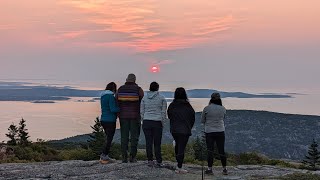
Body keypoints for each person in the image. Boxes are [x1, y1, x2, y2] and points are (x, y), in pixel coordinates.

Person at [116, 73, 144, 163]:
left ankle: (124, 157)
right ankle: (132, 157)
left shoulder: (120, 89)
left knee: (124, 136)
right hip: (135, 116)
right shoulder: (138, 89)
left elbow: (116, 101)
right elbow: (143, 102)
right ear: (135, 80)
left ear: (126, 79)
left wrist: (118, 113)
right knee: (134, 137)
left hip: (123, 116)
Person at [167, 87, 195, 173]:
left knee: (178, 145)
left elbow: (169, 115)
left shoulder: (172, 105)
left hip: (175, 130)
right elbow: (192, 117)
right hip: (185, 130)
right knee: (181, 147)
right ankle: (179, 167)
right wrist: (189, 126)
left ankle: (178, 164)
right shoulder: (188, 105)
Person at [141, 82, 167, 167]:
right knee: (157, 143)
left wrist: (144, 119)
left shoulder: (144, 98)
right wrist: (162, 123)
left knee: (148, 142)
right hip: (157, 122)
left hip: (146, 121)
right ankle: (159, 161)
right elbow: (163, 113)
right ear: (158, 88)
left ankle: (150, 160)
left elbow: (141, 111)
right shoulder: (162, 98)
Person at [201, 92, 228, 175]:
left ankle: (210, 169)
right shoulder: (223, 108)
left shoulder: (206, 108)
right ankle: (224, 169)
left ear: (211, 99)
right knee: (221, 151)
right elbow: (223, 118)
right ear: (219, 99)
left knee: (210, 151)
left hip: (209, 132)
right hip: (220, 131)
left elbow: (202, 121)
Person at [99, 82, 120, 163]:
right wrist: (121, 109)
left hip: (103, 120)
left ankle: (105, 155)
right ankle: (104, 155)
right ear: (114, 89)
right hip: (110, 120)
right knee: (109, 139)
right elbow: (113, 109)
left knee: (107, 138)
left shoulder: (103, 96)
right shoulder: (110, 97)